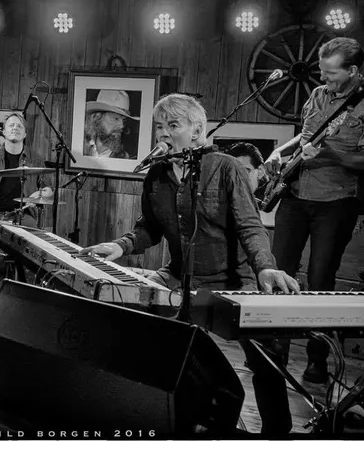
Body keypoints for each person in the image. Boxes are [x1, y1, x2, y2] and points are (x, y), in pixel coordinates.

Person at [81, 93, 300, 436]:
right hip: (178, 276)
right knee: (134, 326)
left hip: (234, 280)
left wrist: (265, 268)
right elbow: (149, 228)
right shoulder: (157, 173)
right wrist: (119, 245)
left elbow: (249, 225)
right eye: (159, 126)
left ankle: (277, 435)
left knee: (267, 357)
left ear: (197, 130)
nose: (163, 133)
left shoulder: (225, 167)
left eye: (173, 125)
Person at [263, 37, 364, 384]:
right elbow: (307, 136)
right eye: (322, 71)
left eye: (331, 73)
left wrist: (330, 154)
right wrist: (280, 151)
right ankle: (275, 352)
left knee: (321, 281)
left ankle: (316, 361)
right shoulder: (319, 94)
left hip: (335, 203)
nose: (324, 78)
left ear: (353, 70)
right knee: (279, 274)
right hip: (295, 196)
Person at [83, 89, 138, 159]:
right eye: (116, 118)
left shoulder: (126, 157)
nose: (121, 126)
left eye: (123, 120)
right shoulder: (80, 146)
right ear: (97, 118)